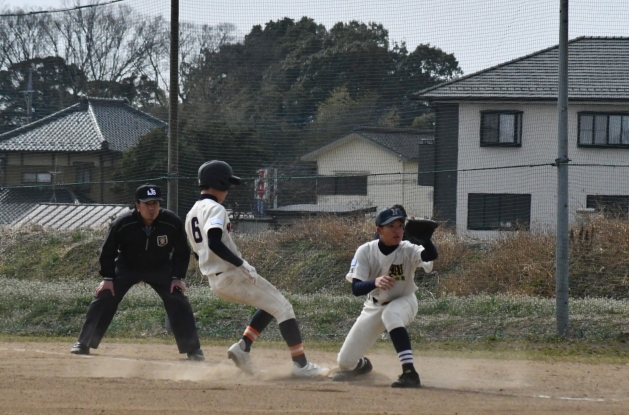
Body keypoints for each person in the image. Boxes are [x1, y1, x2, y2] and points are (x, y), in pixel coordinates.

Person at [185, 160, 328, 377]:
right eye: (227, 185)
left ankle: (243, 347)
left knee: (272, 303)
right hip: (231, 275)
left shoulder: (191, 213)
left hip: (215, 281)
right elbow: (214, 242)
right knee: (284, 308)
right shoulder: (215, 208)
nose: (228, 191)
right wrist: (241, 264)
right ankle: (301, 366)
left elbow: (198, 252)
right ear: (219, 183)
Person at [70, 184, 204, 361]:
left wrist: (177, 277)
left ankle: (193, 350)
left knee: (178, 299)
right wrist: (108, 278)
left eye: (155, 203)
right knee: (104, 296)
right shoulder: (124, 222)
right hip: (127, 267)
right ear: (137, 205)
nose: (152, 208)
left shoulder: (171, 221)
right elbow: (108, 251)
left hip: (160, 268)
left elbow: (182, 251)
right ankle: (84, 343)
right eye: (147, 203)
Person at [331, 206, 438, 388]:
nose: (397, 231)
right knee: (345, 362)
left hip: (404, 301)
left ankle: (409, 373)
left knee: (391, 314)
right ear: (379, 230)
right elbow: (356, 288)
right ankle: (362, 367)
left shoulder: (408, 249)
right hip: (374, 306)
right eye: (391, 226)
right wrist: (375, 282)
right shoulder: (365, 251)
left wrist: (427, 242)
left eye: (400, 226)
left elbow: (430, 255)